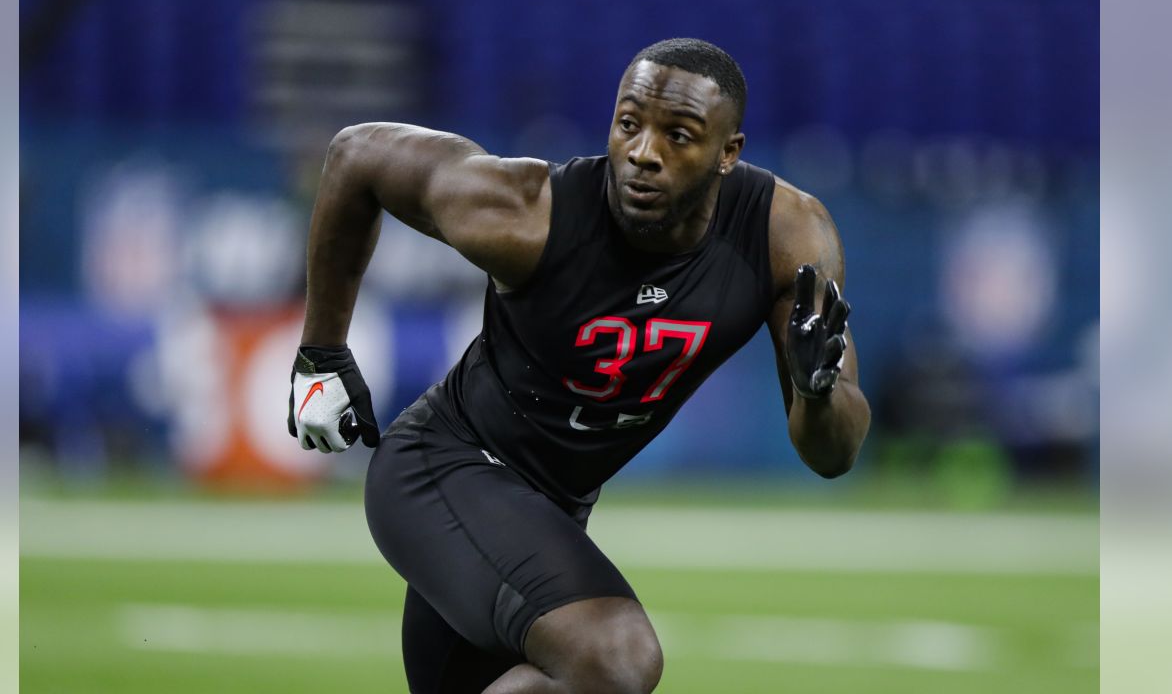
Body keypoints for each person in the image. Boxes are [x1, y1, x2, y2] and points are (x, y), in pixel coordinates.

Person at [286, 38, 870, 694]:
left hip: (549, 509)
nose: (645, 153)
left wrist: (816, 391)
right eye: (629, 125)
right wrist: (322, 352)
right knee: (616, 657)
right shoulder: (532, 212)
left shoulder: (784, 235)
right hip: (445, 472)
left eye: (678, 135)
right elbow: (355, 155)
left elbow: (833, 455)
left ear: (728, 154)